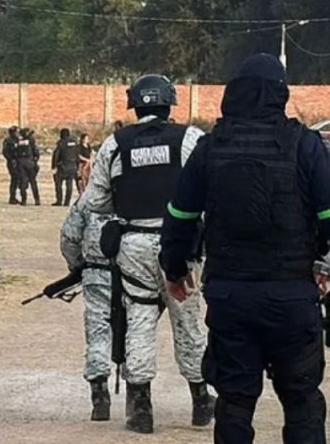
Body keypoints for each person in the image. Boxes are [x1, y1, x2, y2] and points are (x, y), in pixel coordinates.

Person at [159, 54, 330, 444]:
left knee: (235, 401)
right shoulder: (305, 145)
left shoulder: (211, 147)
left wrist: (174, 270)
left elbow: (179, 217)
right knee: (302, 400)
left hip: (230, 295)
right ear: (281, 94)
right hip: (291, 296)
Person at [77, 74, 214, 434]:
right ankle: (201, 400)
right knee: (187, 319)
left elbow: (96, 201)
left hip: (134, 243)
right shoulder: (190, 138)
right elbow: (210, 187)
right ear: (170, 103)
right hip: (180, 242)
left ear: (134, 105)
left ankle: (140, 407)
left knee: (138, 319)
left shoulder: (114, 144)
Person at [60, 202, 114, 421]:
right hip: (132, 273)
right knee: (136, 331)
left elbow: (69, 239)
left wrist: (78, 267)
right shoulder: (139, 192)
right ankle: (139, 397)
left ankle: (99, 394)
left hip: (96, 272)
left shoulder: (88, 201)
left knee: (97, 331)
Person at [52, 128, 80, 206]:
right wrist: (77, 166)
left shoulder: (61, 143)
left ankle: (59, 200)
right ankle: (67, 202)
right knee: (69, 184)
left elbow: (56, 155)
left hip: (63, 166)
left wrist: (54, 166)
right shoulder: (74, 143)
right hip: (73, 166)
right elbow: (77, 154)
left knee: (58, 183)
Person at [15, 128, 40, 206]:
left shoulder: (18, 142)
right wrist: (35, 161)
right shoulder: (31, 141)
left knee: (23, 181)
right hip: (30, 162)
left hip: (20, 162)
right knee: (33, 181)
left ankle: (24, 200)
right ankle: (37, 199)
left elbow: (15, 152)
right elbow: (36, 152)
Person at [1, 126, 21, 204]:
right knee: (14, 179)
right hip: (12, 162)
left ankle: (15, 196)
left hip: (18, 161)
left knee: (17, 179)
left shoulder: (18, 140)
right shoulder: (8, 141)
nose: (17, 134)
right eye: (16, 132)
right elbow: (5, 152)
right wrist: (10, 159)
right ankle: (12, 198)